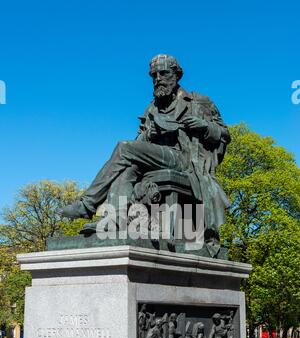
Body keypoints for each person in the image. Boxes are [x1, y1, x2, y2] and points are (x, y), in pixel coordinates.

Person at [62, 54, 231, 250]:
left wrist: (204, 126)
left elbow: (224, 135)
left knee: (124, 148)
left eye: (164, 73)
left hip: (184, 160)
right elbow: (139, 143)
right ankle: (115, 219)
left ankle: (87, 204)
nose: (158, 79)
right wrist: (147, 135)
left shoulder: (198, 102)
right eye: (154, 75)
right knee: (127, 166)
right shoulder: (152, 108)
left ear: (176, 75)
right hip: (156, 158)